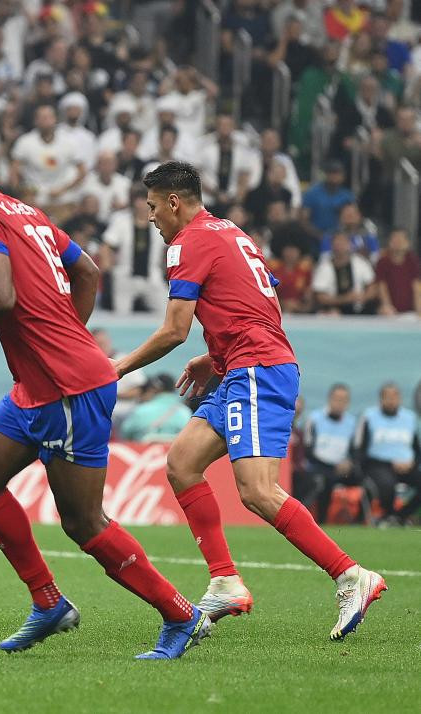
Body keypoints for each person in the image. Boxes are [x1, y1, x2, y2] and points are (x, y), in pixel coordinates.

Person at [0, 128, 207, 659]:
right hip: (38, 387)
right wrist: (68, 332)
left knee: (83, 522)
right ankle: (48, 602)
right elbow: (87, 270)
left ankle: (181, 615)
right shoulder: (26, 211)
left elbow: (1, 294)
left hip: (69, 388)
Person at [113, 161, 385, 642]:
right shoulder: (232, 232)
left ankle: (350, 575)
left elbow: (173, 329)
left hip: (257, 371)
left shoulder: (187, 242)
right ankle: (225, 581)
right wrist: (215, 357)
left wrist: (115, 368)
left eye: (153, 207)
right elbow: (267, 308)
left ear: (174, 202)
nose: (151, 217)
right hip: (244, 367)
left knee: (258, 491)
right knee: (181, 462)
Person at [354, 382, 420, 526]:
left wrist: (412, 463)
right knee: (387, 484)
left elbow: (416, 449)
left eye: (395, 397)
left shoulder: (409, 418)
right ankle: (388, 516)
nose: (391, 401)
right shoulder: (369, 416)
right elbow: (360, 447)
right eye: (387, 397)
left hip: (407, 466)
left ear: (400, 399)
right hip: (378, 465)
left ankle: (399, 516)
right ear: (381, 399)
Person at [300, 384, 358, 522]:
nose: (340, 403)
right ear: (330, 399)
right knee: (323, 482)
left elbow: (356, 450)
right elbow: (307, 450)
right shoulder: (314, 419)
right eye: (337, 399)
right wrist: (331, 466)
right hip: (318, 467)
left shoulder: (352, 422)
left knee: (366, 480)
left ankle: (363, 521)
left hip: (342, 469)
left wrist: (349, 463)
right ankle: (321, 521)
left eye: (344, 400)